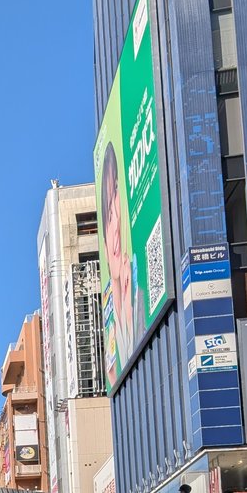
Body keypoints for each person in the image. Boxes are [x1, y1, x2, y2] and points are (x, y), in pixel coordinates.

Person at [100, 140, 141, 382]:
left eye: (116, 192)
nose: (114, 219)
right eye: (106, 212)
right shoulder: (110, 334)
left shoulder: (139, 288)